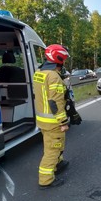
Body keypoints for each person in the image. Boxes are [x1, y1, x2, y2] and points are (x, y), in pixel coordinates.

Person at [33, 44, 71, 189]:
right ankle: (46, 179)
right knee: (52, 150)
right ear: (59, 59)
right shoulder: (54, 77)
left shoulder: (38, 73)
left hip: (42, 120)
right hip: (53, 121)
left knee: (52, 145)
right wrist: (63, 121)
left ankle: (58, 163)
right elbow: (55, 102)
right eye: (64, 60)